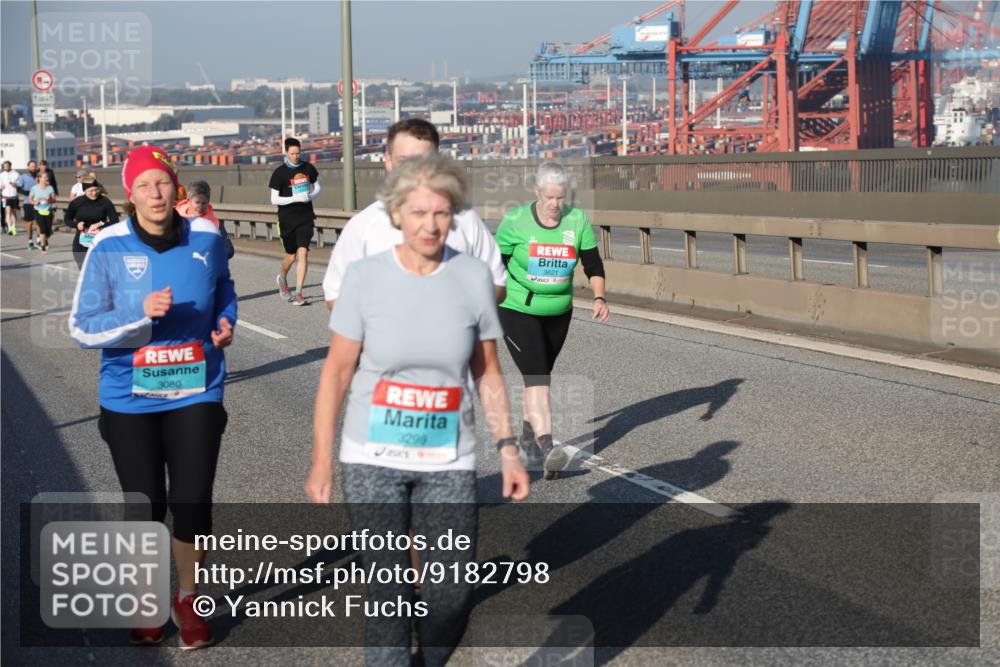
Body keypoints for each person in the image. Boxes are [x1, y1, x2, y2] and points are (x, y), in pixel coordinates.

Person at [306, 154, 528, 666]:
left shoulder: (472, 278)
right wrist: (321, 460)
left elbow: (487, 370)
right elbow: (337, 372)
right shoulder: (365, 278)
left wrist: (508, 450)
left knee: (450, 593)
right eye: (419, 213)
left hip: (447, 458)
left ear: (454, 215)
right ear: (396, 215)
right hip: (371, 456)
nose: (430, 225)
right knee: (387, 594)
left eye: (441, 213)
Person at [69, 145, 236, 650]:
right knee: (145, 504)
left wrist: (225, 320)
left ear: (175, 185)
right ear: (130, 195)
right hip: (129, 397)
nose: (155, 193)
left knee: (193, 501)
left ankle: (187, 598)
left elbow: (223, 286)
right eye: (143, 186)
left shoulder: (206, 235)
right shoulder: (108, 246)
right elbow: (82, 327)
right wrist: (138, 313)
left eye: (162, 182)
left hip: (196, 388)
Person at [496, 161, 609, 479]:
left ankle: (528, 440)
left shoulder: (577, 219)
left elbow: (592, 263)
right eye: (550, 198)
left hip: (559, 313)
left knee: (539, 376)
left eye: (561, 197)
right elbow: (494, 266)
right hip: (517, 308)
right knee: (538, 379)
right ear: (537, 192)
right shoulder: (515, 221)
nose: (556, 204)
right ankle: (547, 446)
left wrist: (599, 297)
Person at [322, 119, 505, 310]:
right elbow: (335, 296)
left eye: (423, 161)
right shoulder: (363, 225)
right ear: (388, 162)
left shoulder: (465, 218)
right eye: (404, 162)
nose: (413, 170)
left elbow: (497, 283)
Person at [269, 137, 320, 305]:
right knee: (291, 257)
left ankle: (299, 293)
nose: (296, 156)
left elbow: (318, 187)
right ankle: (282, 278)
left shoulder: (308, 168)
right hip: (287, 219)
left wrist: (310, 196)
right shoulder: (279, 173)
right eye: (292, 154)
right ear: (286, 153)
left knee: (303, 252)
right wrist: (295, 198)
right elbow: (274, 200)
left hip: (306, 217)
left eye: (298, 153)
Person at [65, 179, 119, 269]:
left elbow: (115, 221)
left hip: (99, 243)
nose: (94, 193)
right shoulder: (76, 203)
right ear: (84, 190)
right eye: (91, 191)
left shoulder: (105, 202)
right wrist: (76, 224)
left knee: (98, 271)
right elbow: (67, 219)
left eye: (96, 190)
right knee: (84, 270)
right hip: (81, 243)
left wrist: (100, 224)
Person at [176, 181, 234, 259]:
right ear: (188, 201)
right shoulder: (176, 219)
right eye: (197, 202)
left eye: (204, 203)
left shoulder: (215, 223)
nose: (200, 206)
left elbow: (229, 250)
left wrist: (209, 254)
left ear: (208, 202)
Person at [28, 171, 55, 253]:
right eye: (44, 177)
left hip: (48, 210)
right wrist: (36, 203)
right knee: (42, 228)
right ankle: (42, 245)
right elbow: (30, 199)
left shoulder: (50, 188)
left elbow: (54, 199)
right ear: (39, 178)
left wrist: (49, 200)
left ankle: (44, 239)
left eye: (47, 177)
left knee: (49, 231)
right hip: (38, 210)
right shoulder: (34, 188)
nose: (47, 178)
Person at [15, 161, 38, 249]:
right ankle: (30, 240)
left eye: (34, 166)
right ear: (28, 167)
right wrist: (28, 193)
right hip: (28, 202)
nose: (33, 168)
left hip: (39, 202)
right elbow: (18, 188)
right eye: (31, 166)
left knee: (39, 222)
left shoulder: (40, 176)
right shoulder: (23, 177)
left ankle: (39, 240)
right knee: (30, 223)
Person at [1, 161, 19, 234]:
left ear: (10, 166)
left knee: (14, 213)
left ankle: (14, 227)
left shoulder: (16, 174)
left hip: (14, 196)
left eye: (7, 166)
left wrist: (16, 184)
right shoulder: (1, 175)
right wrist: (0, 187)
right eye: (4, 166)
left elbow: (20, 183)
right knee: (7, 212)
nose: (6, 168)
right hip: (5, 196)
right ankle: (9, 228)